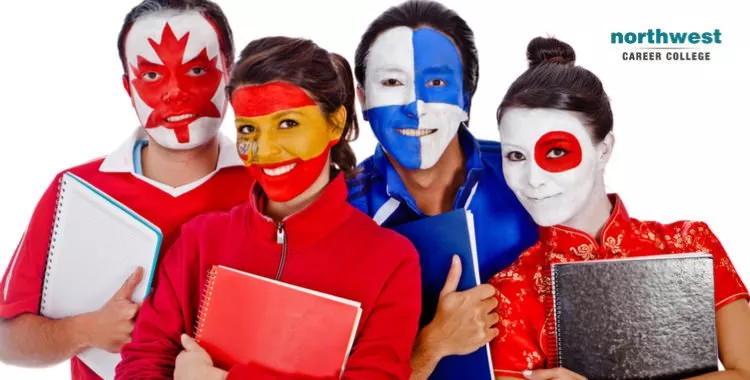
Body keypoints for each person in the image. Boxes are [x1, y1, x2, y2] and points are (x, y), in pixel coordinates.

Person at [115, 36, 422, 380]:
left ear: (335, 123)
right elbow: (140, 364)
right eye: (248, 129)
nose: (266, 150)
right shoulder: (199, 240)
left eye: (288, 124)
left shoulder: (390, 260)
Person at [0, 1, 252, 378]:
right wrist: (86, 329)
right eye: (151, 76)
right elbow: (7, 339)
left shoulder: (268, 188)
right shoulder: (76, 191)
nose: (174, 93)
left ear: (230, 74)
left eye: (197, 70)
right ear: (127, 86)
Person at [489, 36, 750, 380]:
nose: (533, 179)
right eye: (516, 156)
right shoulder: (508, 293)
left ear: (604, 149)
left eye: (555, 152)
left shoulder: (689, 244)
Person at [346, 1, 538, 377]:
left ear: (466, 97)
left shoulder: (529, 175)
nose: (415, 107)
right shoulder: (341, 212)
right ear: (363, 99)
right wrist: (431, 346)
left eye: (436, 83)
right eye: (391, 82)